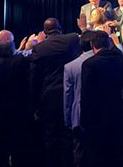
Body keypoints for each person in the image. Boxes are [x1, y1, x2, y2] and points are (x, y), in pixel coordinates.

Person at [31, 17, 81, 167]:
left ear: (45, 32)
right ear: (60, 27)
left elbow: (34, 79)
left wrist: (34, 104)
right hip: (70, 94)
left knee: (51, 137)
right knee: (68, 135)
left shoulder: (40, 48)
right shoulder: (72, 39)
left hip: (48, 97)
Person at [80, 31, 123, 167]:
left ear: (92, 45)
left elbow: (86, 95)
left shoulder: (89, 64)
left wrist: (84, 121)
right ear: (109, 43)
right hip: (117, 114)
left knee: (98, 157)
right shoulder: (120, 59)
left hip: (97, 118)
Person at [63, 31, 95, 167]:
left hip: (78, 115)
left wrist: (67, 120)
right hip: (101, 114)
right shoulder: (103, 61)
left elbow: (67, 95)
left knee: (80, 152)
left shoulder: (70, 66)